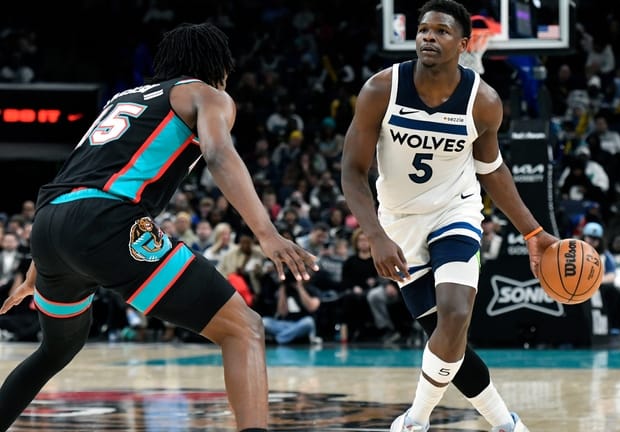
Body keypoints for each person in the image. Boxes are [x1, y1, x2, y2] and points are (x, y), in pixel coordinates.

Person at [0, 23, 318, 432]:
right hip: (108, 222)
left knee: (56, 349)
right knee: (245, 329)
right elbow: (219, 154)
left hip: (47, 226)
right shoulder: (207, 94)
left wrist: (38, 270)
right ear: (218, 67)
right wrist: (267, 234)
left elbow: (79, 180)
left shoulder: (123, 98)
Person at [340, 1, 557, 431]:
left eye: (440, 31)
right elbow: (351, 170)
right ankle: (506, 423)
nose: (427, 37)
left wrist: (533, 232)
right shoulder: (381, 90)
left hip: (454, 211)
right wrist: (376, 236)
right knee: (448, 341)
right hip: (399, 222)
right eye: (423, 30)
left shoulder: (484, 102)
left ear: (463, 44)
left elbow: (491, 171)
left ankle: (415, 419)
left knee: (455, 313)